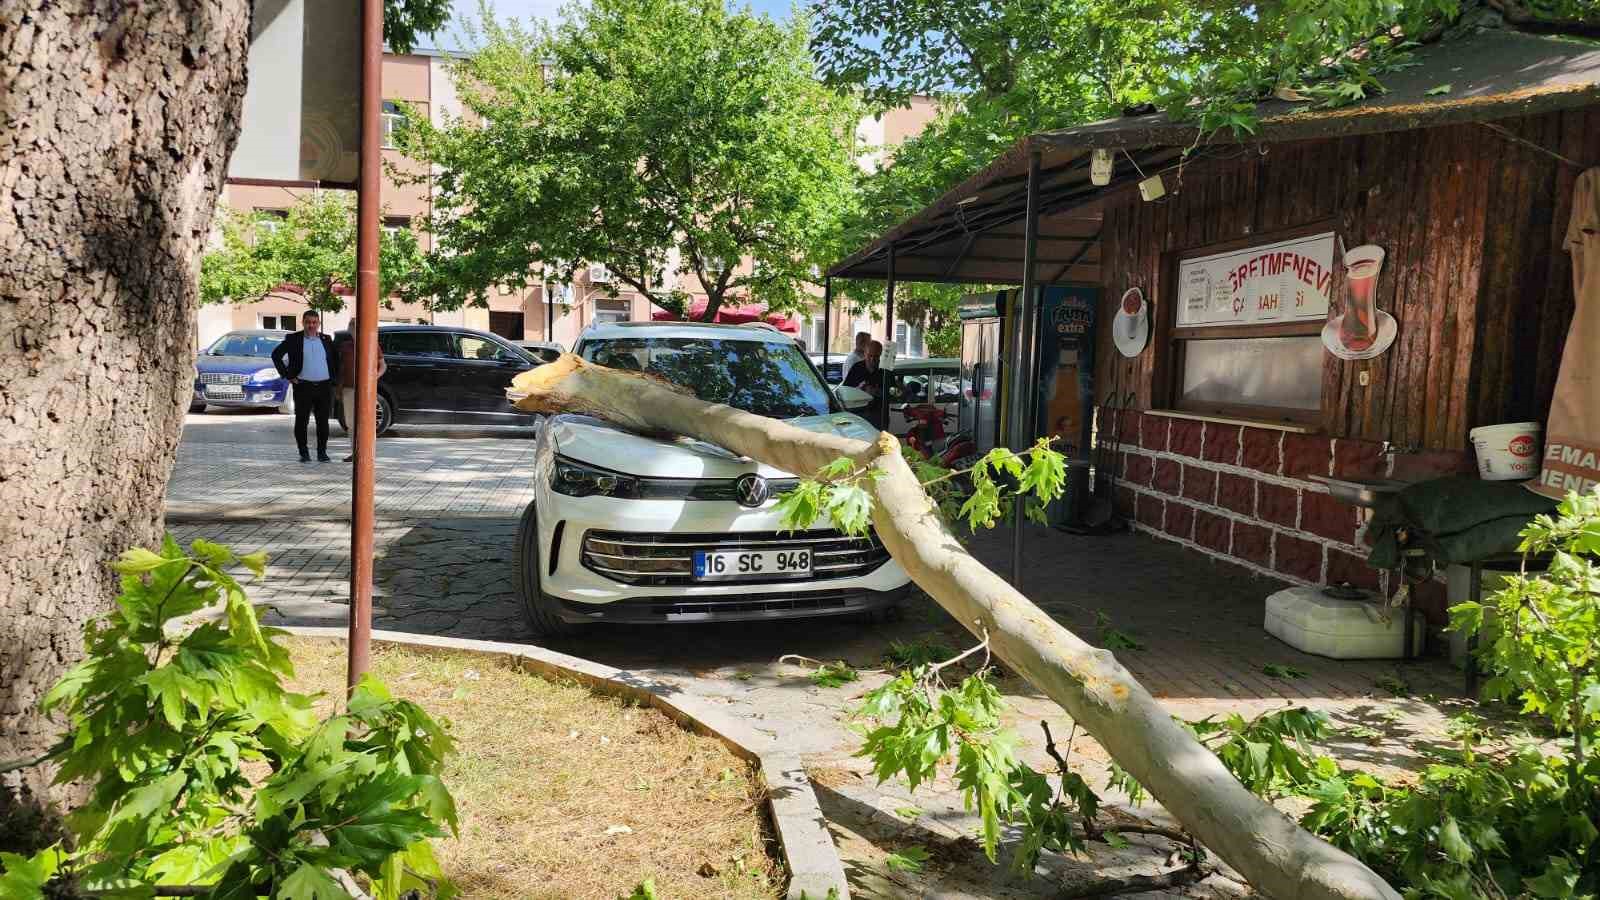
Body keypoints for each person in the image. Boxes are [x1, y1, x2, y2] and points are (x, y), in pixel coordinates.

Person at [271, 309, 339, 462]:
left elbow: (335, 360)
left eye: (314, 322)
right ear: (303, 323)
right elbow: (276, 355)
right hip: (303, 387)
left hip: (324, 387)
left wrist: (335, 379)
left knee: (323, 422)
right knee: (302, 421)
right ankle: (304, 452)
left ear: (318, 324)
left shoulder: (326, 339)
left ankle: (322, 452)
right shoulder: (294, 339)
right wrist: (288, 376)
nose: (311, 325)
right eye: (308, 322)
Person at [336, 316, 386, 462]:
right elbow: (342, 369)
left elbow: (383, 365)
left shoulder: (372, 345)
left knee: (367, 422)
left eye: (357, 327)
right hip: (349, 389)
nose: (354, 331)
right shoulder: (345, 346)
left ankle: (368, 453)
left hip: (367, 390)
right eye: (352, 327)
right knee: (350, 423)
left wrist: (373, 377)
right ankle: (355, 452)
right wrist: (339, 387)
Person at [844, 339, 886, 428]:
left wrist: (877, 392)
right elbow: (845, 391)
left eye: (876, 356)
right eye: (870, 356)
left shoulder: (885, 370)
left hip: (879, 414)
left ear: (880, 355)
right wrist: (859, 389)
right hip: (858, 414)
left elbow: (892, 392)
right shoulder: (857, 368)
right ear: (865, 354)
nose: (872, 359)